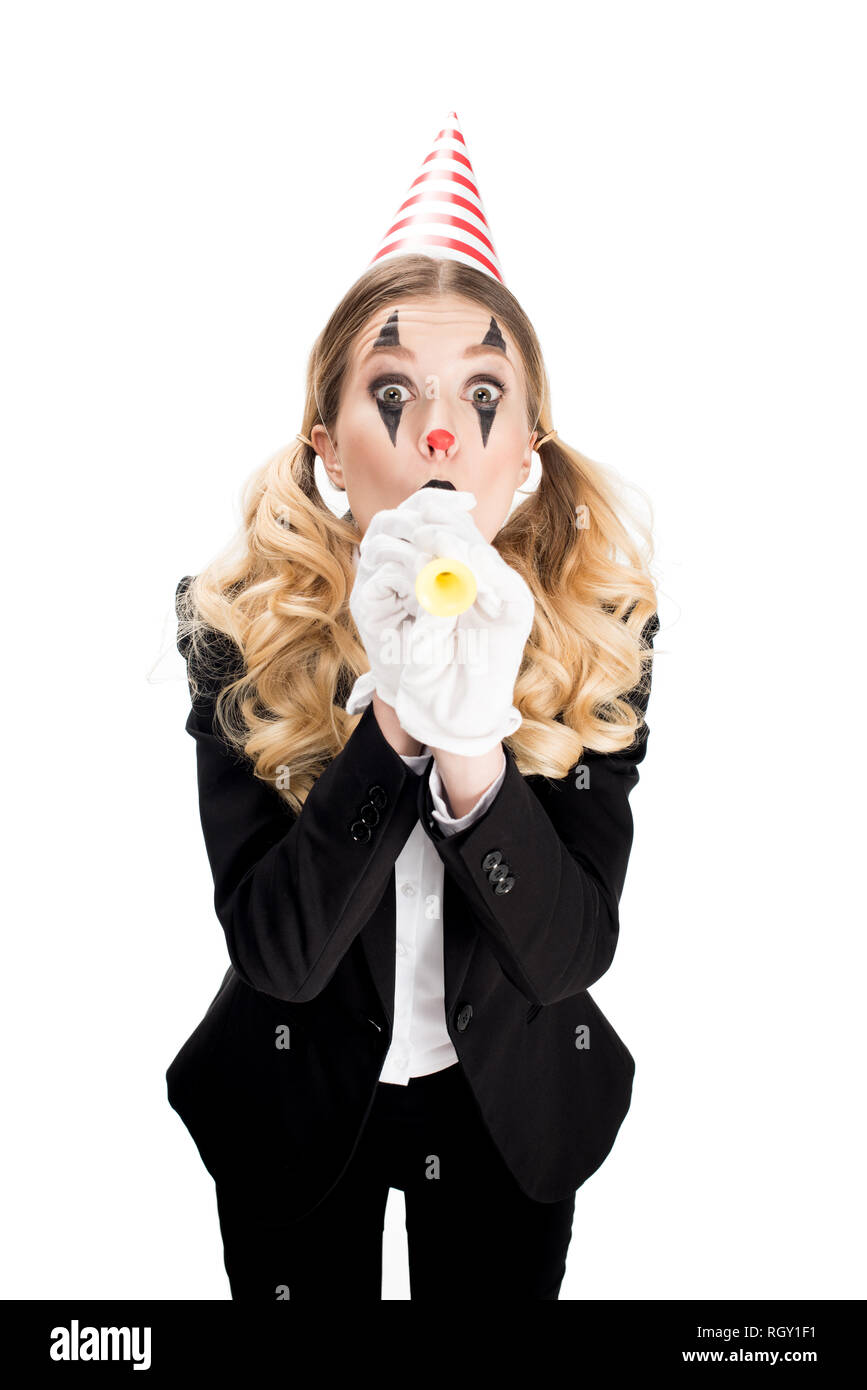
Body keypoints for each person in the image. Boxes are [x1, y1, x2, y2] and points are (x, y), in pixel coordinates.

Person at [166, 113, 659, 1301]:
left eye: (483, 394)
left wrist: (476, 748)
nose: (441, 432)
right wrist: (391, 724)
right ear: (329, 444)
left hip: (510, 1104)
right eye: (393, 391)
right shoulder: (236, 625)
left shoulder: (604, 633)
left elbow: (570, 952)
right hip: (293, 1105)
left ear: (527, 445)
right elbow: (278, 954)